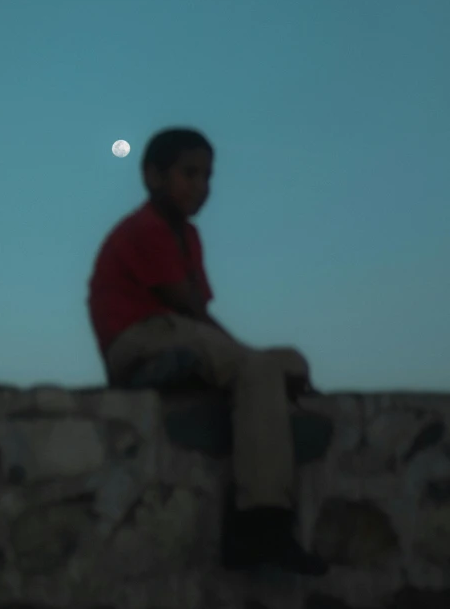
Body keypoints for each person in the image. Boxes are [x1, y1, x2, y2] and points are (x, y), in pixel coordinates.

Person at [87, 127, 328, 576]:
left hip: (176, 335)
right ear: (153, 176)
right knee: (258, 371)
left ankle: (174, 371)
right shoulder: (146, 229)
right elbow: (192, 311)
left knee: (288, 362)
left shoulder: (188, 236)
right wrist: (249, 361)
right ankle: (262, 523)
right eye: (189, 173)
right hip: (139, 336)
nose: (200, 187)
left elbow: (199, 320)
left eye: (207, 177)